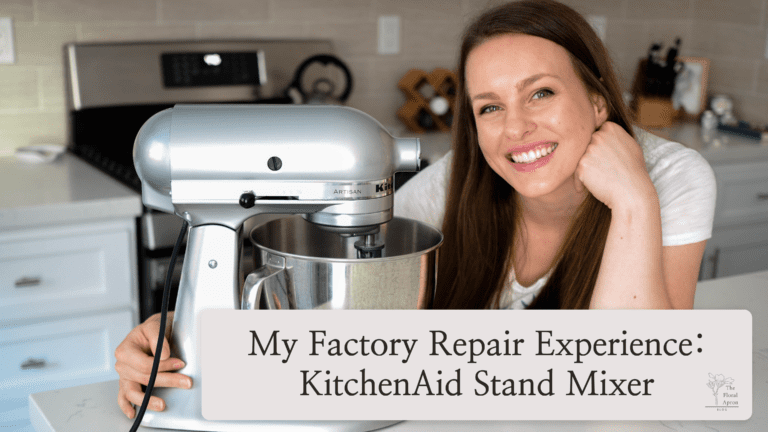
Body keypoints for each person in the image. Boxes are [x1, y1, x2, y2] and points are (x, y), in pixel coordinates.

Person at [114, 0, 716, 418]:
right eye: (489, 107)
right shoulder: (459, 182)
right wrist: (193, 336)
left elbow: (649, 378)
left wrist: (633, 198)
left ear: (599, 100)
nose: (516, 129)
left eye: (541, 92)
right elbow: (342, 310)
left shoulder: (671, 177)